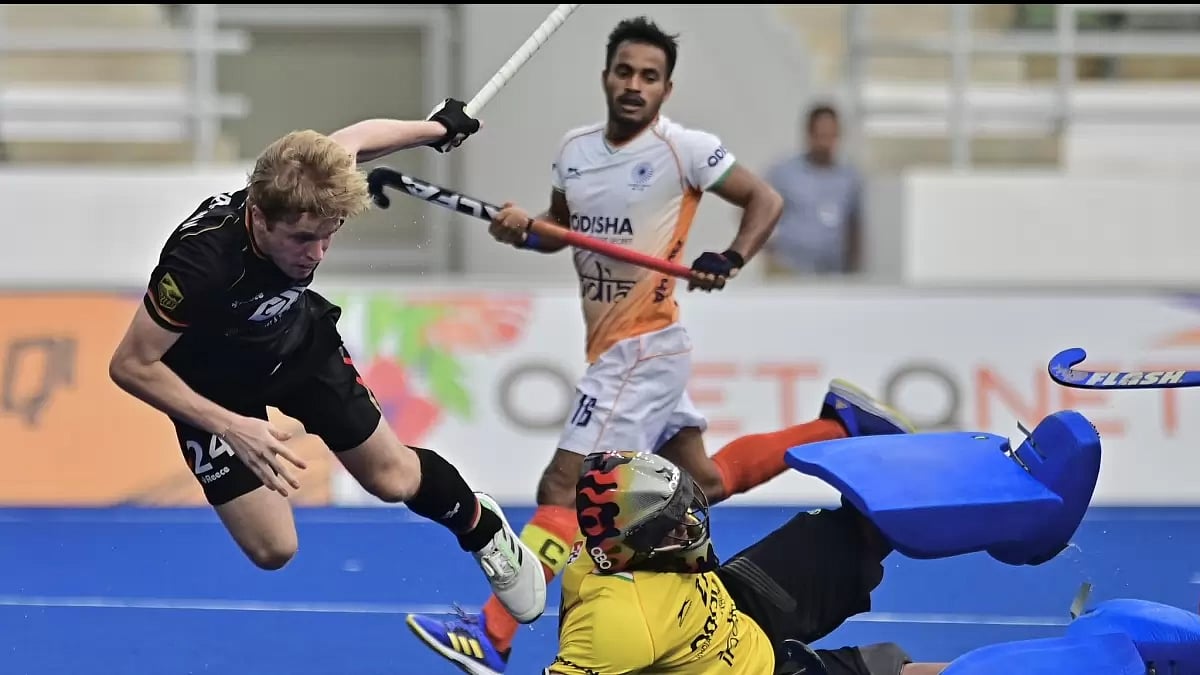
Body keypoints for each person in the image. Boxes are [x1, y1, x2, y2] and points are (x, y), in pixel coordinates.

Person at [404, 16, 915, 673]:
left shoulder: (685, 150)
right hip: (617, 344)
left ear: (666, 88)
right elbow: (560, 230)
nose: (634, 85)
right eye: (625, 72)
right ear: (606, 76)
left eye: (649, 76)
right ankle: (839, 426)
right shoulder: (574, 151)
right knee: (705, 479)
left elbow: (765, 201)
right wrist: (522, 230)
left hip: (642, 344)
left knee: (563, 483)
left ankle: (491, 633)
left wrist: (731, 255)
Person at [106, 98, 547, 625]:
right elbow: (131, 364)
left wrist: (435, 129)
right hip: (211, 386)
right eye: (301, 239)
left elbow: (355, 139)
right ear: (258, 216)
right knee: (273, 549)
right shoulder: (200, 264)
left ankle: (482, 528)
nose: (316, 255)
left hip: (297, 347)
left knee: (391, 480)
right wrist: (231, 425)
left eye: (328, 234)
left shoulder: (302, 182)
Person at [763, 104, 864, 277]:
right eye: (821, 136)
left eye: (831, 136)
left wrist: (855, 270)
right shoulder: (785, 173)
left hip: (834, 274)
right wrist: (771, 253)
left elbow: (855, 225)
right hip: (790, 273)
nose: (826, 143)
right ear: (809, 134)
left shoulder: (849, 177)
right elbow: (754, 210)